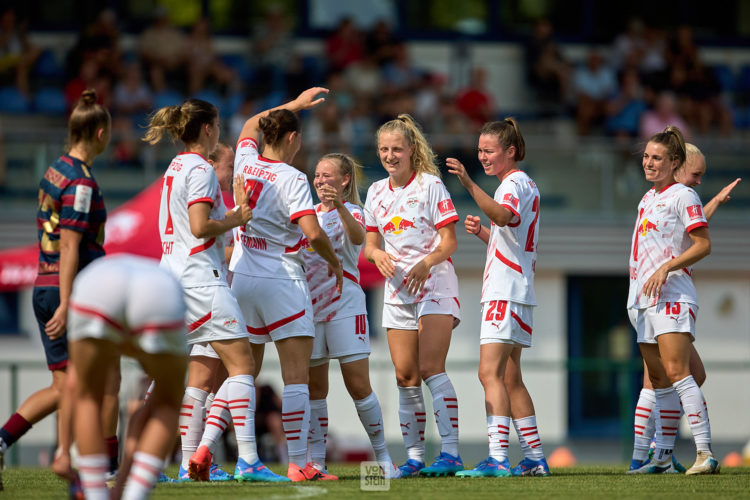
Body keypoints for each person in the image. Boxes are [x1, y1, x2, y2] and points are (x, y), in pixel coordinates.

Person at [143, 98, 287, 483]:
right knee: (243, 366)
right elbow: (200, 225)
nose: (220, 131)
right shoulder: (201, 169)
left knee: (192, 377)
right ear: (207, 128)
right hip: (201, 281)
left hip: (172, 278)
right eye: (218, 125)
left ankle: (182, 464)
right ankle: (250, 460)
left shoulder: (174, 167)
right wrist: (236, 217)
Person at [224, 87, 344, 482]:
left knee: (242, 375)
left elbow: (247, 124)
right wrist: (335, 264)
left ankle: (226, 454)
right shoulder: (291, 177)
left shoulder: (245, 160)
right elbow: (312, 233)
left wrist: (292, 105)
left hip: (242, 278)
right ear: (292, 139)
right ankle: (297, 463)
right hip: (281, 281)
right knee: (297, 377)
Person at [0, 89, 115, 491]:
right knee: (90, 383)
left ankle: (4, 440)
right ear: (100, 133)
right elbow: (69, 244)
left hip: (45, 283)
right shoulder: (81, 182)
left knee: (63, 385)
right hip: (68, 289)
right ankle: (86, 460)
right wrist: (68, 303)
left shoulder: (54, 169)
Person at [446, 118, 550, 478]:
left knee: (487, 372)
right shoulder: (526, 184)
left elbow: (504, 215)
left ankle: (498, 458)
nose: (483, 157)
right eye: (479, 151)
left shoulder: (512, 184)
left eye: (489, 151)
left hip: (505, 293)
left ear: (510, 151)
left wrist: (468, 183)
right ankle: (535, 458)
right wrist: (483, 233)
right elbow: (511, 239)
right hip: (519, 290)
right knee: (510, 377)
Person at [628, 144, 741, 473]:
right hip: (643, 299)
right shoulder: (649, 198)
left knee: (679, 374)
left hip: (672, 296)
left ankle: (704, 453)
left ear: (672, 163)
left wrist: (666, 268)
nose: (648, 163)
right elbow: (680, 234)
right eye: (646, 157)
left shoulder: (683, 195)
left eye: (656, 158)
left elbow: (701, 243)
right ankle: (660, 457)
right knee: (660, 381)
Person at [363, 114, 462, 478]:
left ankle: (451, 452)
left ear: (411, 150)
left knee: (430, 368)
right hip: (396, 290)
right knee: (405, 377)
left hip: (434, 283)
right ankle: (415, 458)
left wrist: (427, 261)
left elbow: (450, 242)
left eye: (397, 149)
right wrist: (378, 255)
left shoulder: (430, 185)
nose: (390, 156)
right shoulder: (374, 191)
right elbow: (371, 243)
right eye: (384, 149)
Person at [304, 153, 401, 479]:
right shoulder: (309, 214)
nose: (320, 181)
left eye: (327, 175)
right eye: (317, 175)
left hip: (346, 307)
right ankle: (316, 463)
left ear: (345, 180)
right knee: (315, 389)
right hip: (311, 310)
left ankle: (384, 460)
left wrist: (341, 206)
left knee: (358, 385)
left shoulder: (356, 212)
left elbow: (359, 239)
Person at [64, 254, 188, 500]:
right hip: (159, 290)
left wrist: (62, 450)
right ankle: (136, 496)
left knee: (88, 397)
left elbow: (72, 385)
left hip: (97, 285)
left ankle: (96, 494)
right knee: (167, 404)